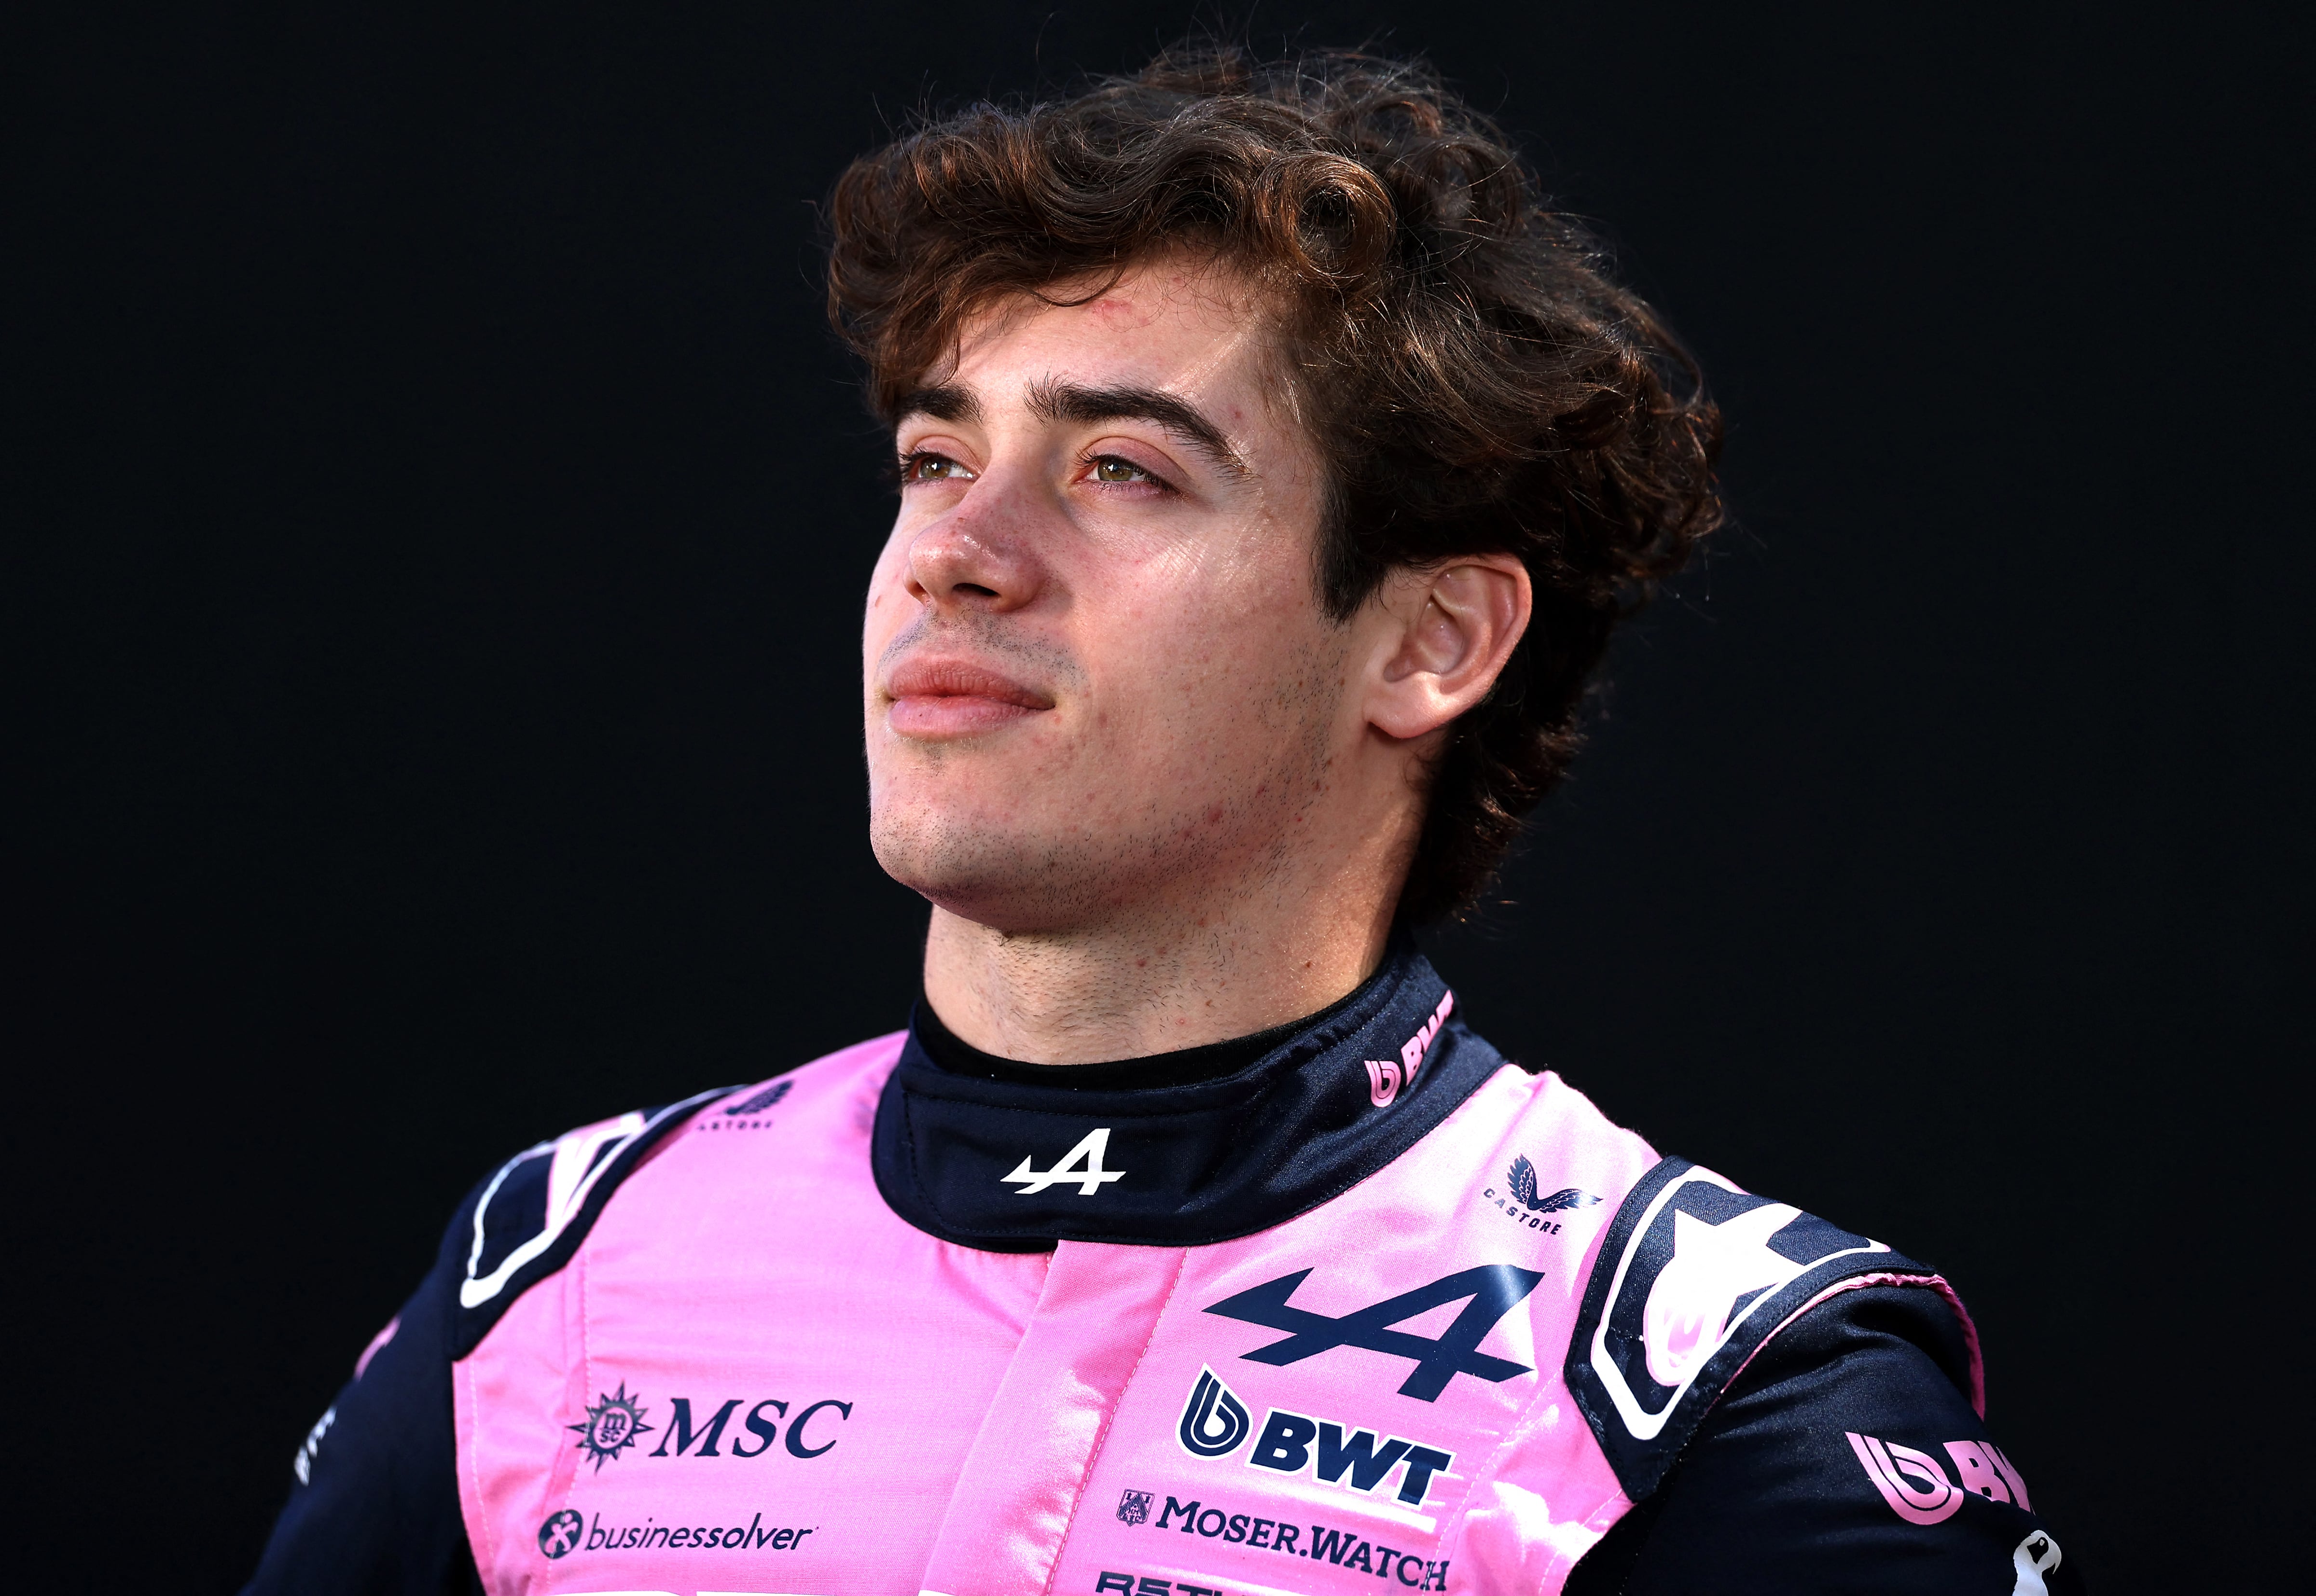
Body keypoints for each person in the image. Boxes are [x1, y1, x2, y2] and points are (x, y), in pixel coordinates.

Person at [245, 45, 2076, 1596]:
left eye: (1121, 469)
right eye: (937, 459)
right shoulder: (563, 1270)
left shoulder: (1708, 1384)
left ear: (1433, 638)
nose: (956, 555)